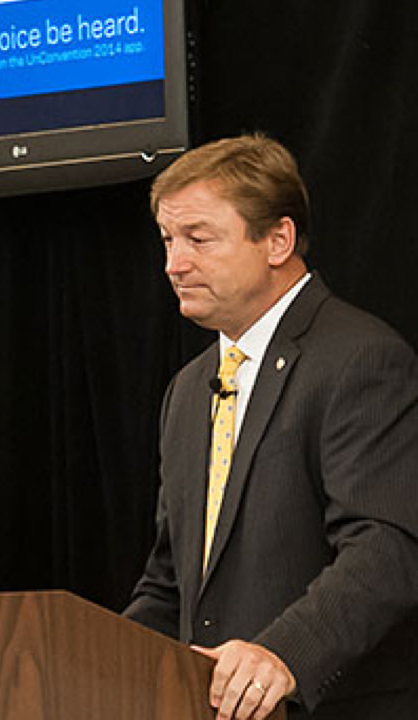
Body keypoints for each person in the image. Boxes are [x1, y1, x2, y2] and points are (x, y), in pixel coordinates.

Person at [124, 134, 418, 720]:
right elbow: (169, 584)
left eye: (198, 239)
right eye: (167, 240)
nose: (173, 264)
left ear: (278, 240)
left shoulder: (360, 359)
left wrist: (281, 655)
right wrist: (97, 660)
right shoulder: (188, 389)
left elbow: (387, 546)